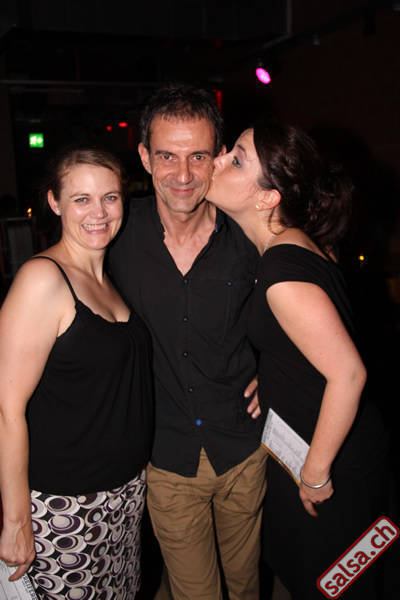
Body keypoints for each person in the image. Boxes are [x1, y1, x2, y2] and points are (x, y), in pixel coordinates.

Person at [206, 121, 397, 599]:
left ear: (267, 197)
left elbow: (348, 374)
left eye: (236, 159)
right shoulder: (289, 245)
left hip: (335, 463)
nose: (217, 160)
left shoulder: (281, 272)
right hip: (325, 445)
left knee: (335, 585)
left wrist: (315, 473)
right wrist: (272, 372)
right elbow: (313, 340)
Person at [108, 85, 267, 600]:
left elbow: (299, 309)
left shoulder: (249, 237)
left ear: (218, 158)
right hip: (166, 457)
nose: (182, 175)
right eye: (167, 156)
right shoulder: (114, 235)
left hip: (243, 449)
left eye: (197, 156)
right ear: (144, 157)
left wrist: (277, 372)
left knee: (244, 587)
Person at [0, 146, 153, 599]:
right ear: (55, 202)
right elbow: (6, 409)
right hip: (64, 505)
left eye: (110, 197)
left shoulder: (108, 276)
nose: (98, 212)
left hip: (124, 494)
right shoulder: (43, 279)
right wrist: (16, 521)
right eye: (81, 199)